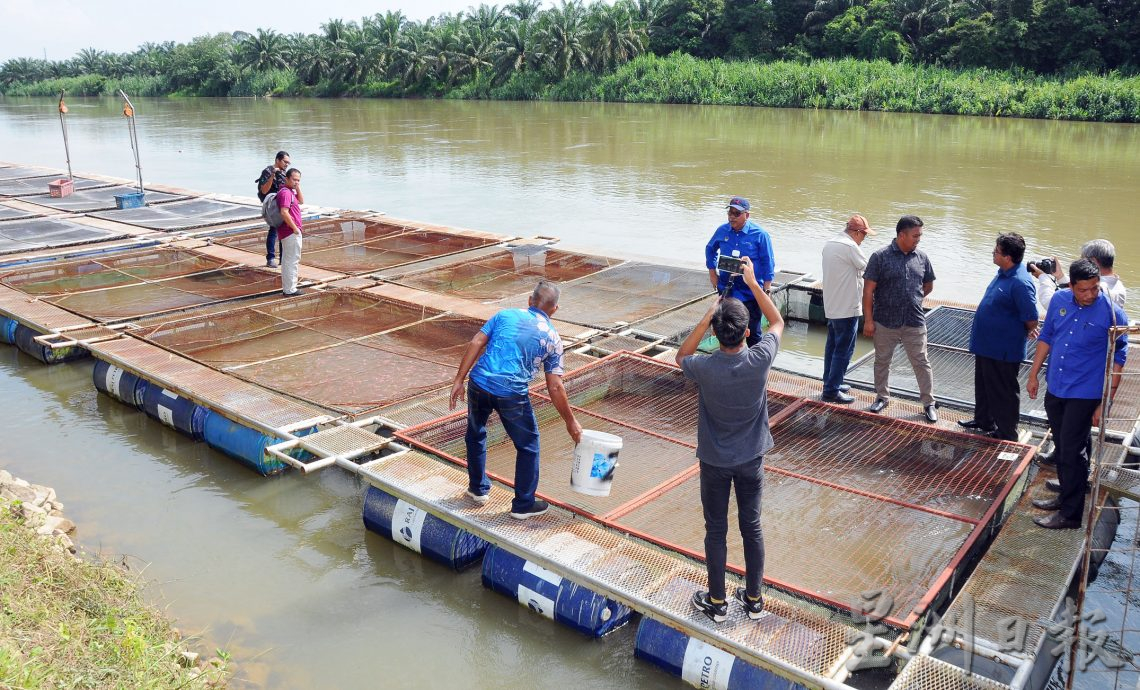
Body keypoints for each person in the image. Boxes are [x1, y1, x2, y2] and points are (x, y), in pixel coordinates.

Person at [675, 256, 784, 623]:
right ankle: (754, 600)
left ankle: (718, 602)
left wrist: (707, 316)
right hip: (751, 458)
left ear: (716, 334)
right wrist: (754, 284)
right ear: (747, 333)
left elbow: (682, 354)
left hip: (714, 462)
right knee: (751, 527)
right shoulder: (759, 359)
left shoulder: (704, 367)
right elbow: (778, 321)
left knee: (716, 530)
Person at [449, 281, 583, 519]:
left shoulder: (504, 315)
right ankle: (523, 505)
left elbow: (476, 342)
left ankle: (478, 490)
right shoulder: (553, 338)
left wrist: (459, 379)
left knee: (476, 433)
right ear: (554, 309)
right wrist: (570, 421)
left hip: (479, 383)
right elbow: (554, 385)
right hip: (511, 393)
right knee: (528, 446)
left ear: (530, 301)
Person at [1027, 258, 1128, 529]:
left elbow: (1120, 355)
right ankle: (1066, 493)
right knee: (1063, 444)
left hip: (1086, 392)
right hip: (1057, 384)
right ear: (1071, 285)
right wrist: (1034, 374)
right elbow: (1046, 336)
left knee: (1072, 450)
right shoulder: (1059, 301)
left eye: (1095, 288)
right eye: (1083, 290)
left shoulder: (1112, 312)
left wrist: (1106, 402)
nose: (1090, 295)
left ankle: (1071, 515)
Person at [958, 233, 1038, 441]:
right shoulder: (1003, 273)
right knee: (984, 385)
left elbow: (1031, 317)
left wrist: (1029, 329)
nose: (993, 253)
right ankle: (983, 419)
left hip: (1003, 348)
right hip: (986, 344)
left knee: (1003, 390)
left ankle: (1006, 431)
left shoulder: (1020, 282)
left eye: (996, 251)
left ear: (1008, 257)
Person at [862, 215, 938, 422]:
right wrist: (868, 320)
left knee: (922, 362)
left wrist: (912, 299)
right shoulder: (880, 257)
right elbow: (868, 291)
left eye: (920, 235)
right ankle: (882, 397)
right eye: (915, 235)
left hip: (914, 321)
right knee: (882, 360)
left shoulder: (922, 257)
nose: (918, 239)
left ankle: (929, 403)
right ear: (901, 235)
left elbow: (928, 285)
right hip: (885, 320)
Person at [705, 197, 776, 347]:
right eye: (730, 213)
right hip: (727, 290)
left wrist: (767, 289)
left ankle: (755, 365)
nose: (731, 217)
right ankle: (728, 362)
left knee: (753, 333)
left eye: (736, 213)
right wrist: (712, 273)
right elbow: (710, 249)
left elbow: (767, 262)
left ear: (747, 215)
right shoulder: (722, 230)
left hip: (750, 293)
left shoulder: (760, 235)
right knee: (726, 330)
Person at [820, 214, 875, 404]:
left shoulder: (830, 243)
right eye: (864, 235)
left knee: (832, 347)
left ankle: (830, 382)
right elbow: (870, 270)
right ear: (857, 232)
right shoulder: (850, 247)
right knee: (844, 350)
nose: (864, 239)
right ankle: (831, 391)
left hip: (832, 305)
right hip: (848, 307)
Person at [256, 151, 303, 268]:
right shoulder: (267, 171)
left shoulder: (284, 173)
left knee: (284, 230)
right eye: (285, 162)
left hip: (283, 203)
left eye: (288, 162)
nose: (287, 164)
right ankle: (271, 258)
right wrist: (272, 175)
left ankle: (283, 258)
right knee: (273, 230)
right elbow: (264, 190)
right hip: (272, 205)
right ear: (277, 160)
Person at [276, 168, 303, 297]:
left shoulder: (290, 191)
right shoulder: (285, 193)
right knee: (291, 260)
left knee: (290, 260)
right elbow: (284, 212)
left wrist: (297, 188)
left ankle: (289, 288)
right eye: (294, 179)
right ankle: (290, 289)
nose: (296, 182)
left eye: (298, 180)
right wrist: (295, 228)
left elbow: (301, 201)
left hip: (290, 232)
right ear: (287, 178)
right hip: (290, 232)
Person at [1081, 239, 1126, 307]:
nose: (1080, 264)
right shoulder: (1119, 286)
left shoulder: (1100, 288)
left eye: (1082, 260)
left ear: (1093, 261)